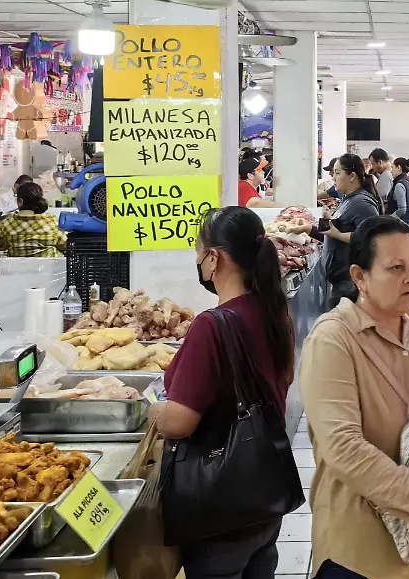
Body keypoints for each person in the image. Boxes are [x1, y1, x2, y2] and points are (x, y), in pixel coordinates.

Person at [300, 216, 409, 579]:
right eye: (395, 268)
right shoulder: (334, 339)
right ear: (359, 276)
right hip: (363, 554)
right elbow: (344, 449)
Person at [154, 206, 296, 579]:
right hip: (264, 492)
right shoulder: (274, 312)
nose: (198, 262)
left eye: (199, 253)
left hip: (222, 505)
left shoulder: (211, 326)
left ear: (214, 258)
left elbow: (180, 421)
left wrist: (150, 411)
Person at [308, 153, 382, 306]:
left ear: (352, 176)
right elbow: (332, 234)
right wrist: (307, 228)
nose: (333, 178)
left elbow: (371, 239)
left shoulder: (362, 202)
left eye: (337, 173)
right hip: (341, 281)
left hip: (351, 284)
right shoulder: (348, 199)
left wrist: (339, 235)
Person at [0, 182, 66, 257]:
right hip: (50, 271)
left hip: (16, 271)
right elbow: (66, 244)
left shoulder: (7, 223)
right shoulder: (52, 222)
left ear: (20, 201)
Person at [385, 157, 409, 227]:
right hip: (407, 221)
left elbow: (402, 209)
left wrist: (389, 219)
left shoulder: (399, 185)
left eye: (393, 168)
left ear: (398, 167)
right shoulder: (408, 181)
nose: (391, 171)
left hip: (399, 224)